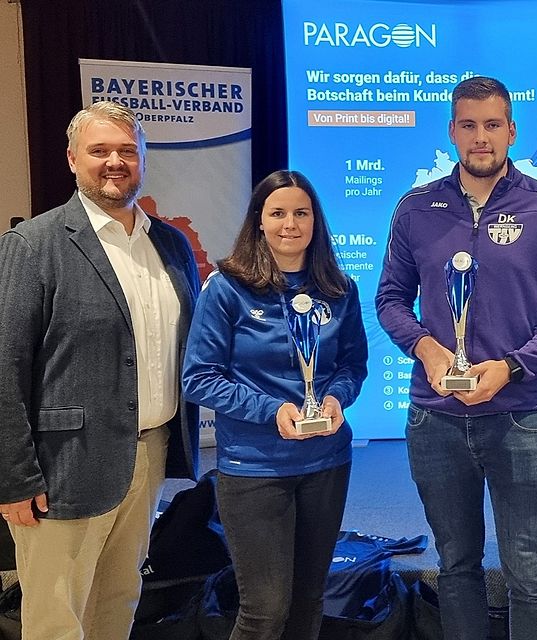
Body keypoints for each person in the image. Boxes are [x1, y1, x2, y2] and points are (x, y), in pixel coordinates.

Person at [375, 76, 537, 640]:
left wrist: (512, 367)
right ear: (452, 131)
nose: (481, 138)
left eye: (492, 125)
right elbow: (390, 299)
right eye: (469, 125)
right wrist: (425, 348)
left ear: (511, 131)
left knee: (528, 571)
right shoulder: (416, 209)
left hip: (522, 416)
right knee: (456, 567)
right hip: (436, 417)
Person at [0, 101, 200, 639]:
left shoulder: (171, 245)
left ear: (143, 161)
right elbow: (5, 367)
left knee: (118, 600)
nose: (115, 161)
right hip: (62, 466)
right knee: (57, 618)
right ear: (71, 160)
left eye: (128, 151)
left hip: (150, 454)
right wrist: (13, 476)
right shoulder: (34, 245)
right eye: (100, 151)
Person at [183, 170, 367, 640]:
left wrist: (333, 399)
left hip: (326, 461)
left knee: (309, 601)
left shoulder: (340, 289)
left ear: (315, 221)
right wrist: (272, 411)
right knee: (265, 610)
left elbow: (352, 366)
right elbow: (199, 378)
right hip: (254, 468)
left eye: (301, 213)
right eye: (278, 213)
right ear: (259, 222)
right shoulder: (227, 288)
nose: (290, 223)